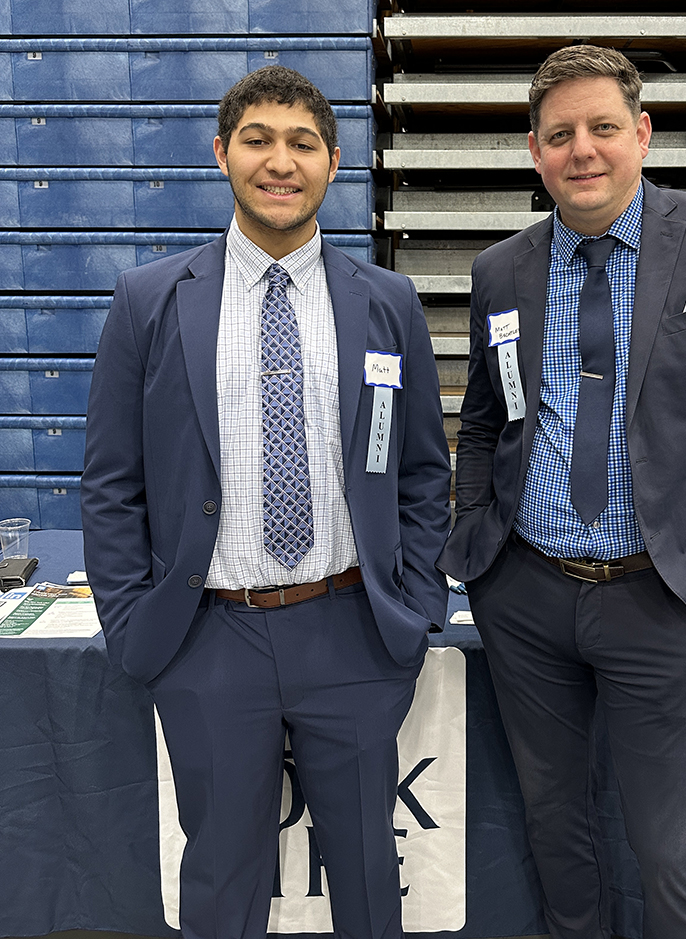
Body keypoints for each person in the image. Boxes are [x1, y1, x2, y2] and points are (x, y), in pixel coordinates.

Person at [81, 65, 451, 939]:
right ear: (222, 153)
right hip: (209, 635)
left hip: (352, 627)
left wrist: (415, 604)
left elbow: (422, 471)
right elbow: (112, 481)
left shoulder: (387, 302)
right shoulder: (150, 300)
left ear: (333, 164)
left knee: (368, 870)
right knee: (221, 878)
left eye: (302, 144)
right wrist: (134, 621)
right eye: (258, 140)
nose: (280, 162)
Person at [438, 45, 686, 939]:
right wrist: (476, 542)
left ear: (642, 133)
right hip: (525, 593)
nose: (582, 150)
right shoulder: (501, 270)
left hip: (663, 595)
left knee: (671, 849)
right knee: (555, 827)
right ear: (534, 151)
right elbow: (484, 419)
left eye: (602, 127)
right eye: (560, 134)